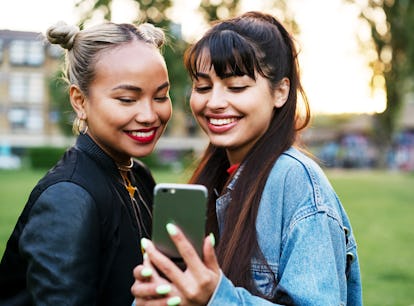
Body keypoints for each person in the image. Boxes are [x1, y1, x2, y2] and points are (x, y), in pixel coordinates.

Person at [131, 11, 362, 306]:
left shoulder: (296, 181)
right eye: (202, 87)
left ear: (280, 92)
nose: (214, 102)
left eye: (236, 87)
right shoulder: (216, 176)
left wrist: (216, 297)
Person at [0, 20, 171, 305]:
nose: (149, 114)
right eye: (127, 99)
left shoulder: (138, 175)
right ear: (80, 101)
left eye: (161, 96)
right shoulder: (67, 198)